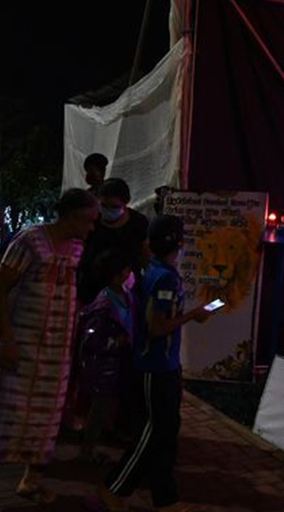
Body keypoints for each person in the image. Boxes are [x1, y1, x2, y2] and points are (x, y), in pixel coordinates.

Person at [0, 189, 99, 512]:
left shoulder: (78, 247)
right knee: (2, 412)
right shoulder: (29, 242)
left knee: (46, 416)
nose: (92, 227)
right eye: (89, 220)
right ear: (71, 216)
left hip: (55, 348)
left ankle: (30, 480)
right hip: (18, 342)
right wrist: (8, 341)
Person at [100, 214, 212, 512]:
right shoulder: (165, 278)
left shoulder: (155, 270)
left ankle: (166, 499)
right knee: (153, 434)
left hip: (163, 366)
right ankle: (114, 489)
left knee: (166, 433)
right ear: (178, 243)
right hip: (156, 367)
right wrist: (193, 315)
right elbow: (157, 327)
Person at [77, 250, 135, 462]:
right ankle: (87, 451)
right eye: (126, 270)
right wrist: (117, 342)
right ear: (116, 275)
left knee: (105, 406)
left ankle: (92, 446)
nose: (129, 273)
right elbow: (93, 339)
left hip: (116, 362)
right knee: (99, 408)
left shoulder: (124, 294)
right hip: (104, 366)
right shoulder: (104, 304)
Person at [78, 178, 149, 306]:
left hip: (127, 293)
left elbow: (146, 257)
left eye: (115, 207)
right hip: (92, 292)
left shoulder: (138, 223)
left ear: (126, 203)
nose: (108, 210)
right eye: (104, 206)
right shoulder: (91, 221)